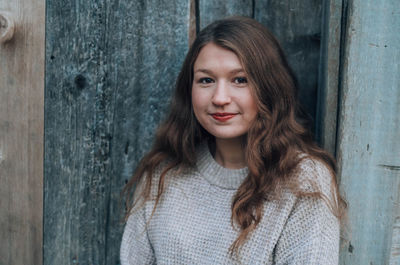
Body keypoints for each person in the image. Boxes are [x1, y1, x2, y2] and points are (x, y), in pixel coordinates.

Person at [120, 16, 346, 265]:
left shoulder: (303, 180)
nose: (220, 97)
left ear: (269, 88)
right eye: (206, 80)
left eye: (240, 80)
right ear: (190, 89)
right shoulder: (162, 174)